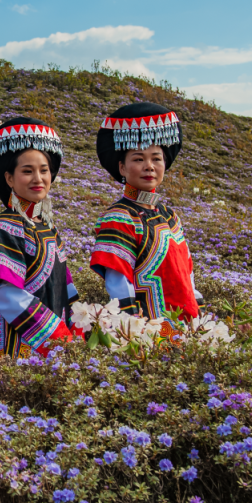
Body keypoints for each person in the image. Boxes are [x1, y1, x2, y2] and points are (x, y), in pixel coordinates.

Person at [90, 102, 204, 335]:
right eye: (139, 159)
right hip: (150, 334)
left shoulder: (169, 216)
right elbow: (119, 284)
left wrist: (201, 320)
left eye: (156, 159)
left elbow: (187, 275)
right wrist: (133, 331)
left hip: (188, 328)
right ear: (122, 167)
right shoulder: (120, 218)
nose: (149, 167)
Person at [0, 117, 81, 362]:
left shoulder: (48, 228)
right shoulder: (4, 227)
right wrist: (59, 339)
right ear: (9, 178)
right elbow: (7, 295)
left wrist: (81, 324)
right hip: (22, 347)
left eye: (44, 170)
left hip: (59, 345)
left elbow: (66, 287)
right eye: (27, 171)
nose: (38, 178)